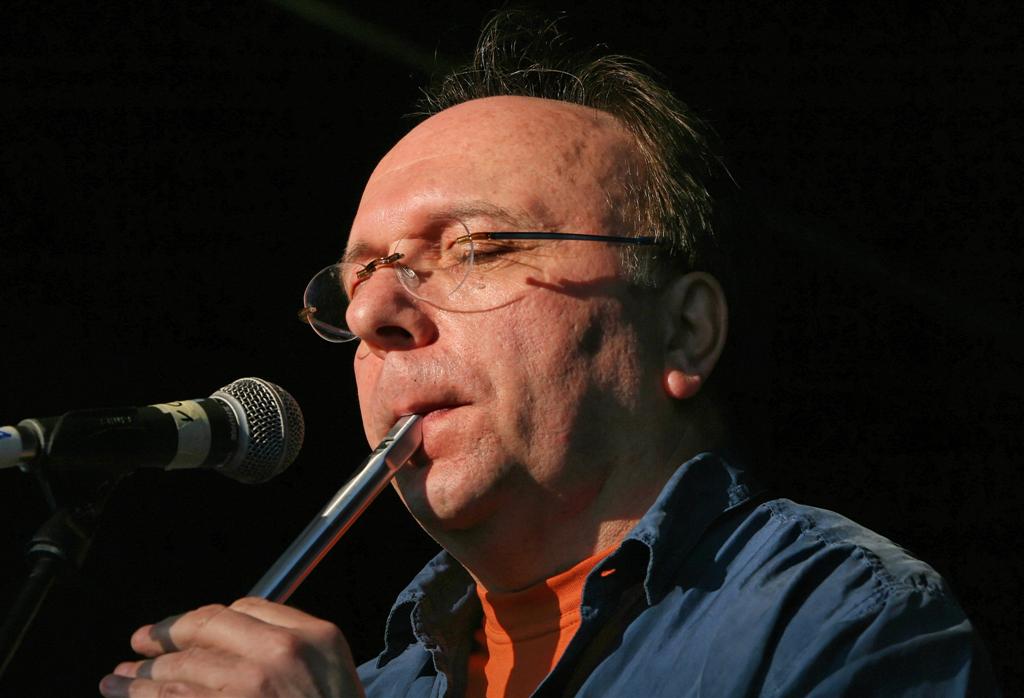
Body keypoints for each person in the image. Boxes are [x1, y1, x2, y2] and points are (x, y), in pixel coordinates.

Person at [99, 12, 997, 698]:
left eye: (474, 249)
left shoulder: (839, 620)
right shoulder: (378, 686)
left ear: (684, 332)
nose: (372, 312)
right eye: (359, 277)